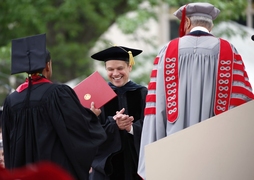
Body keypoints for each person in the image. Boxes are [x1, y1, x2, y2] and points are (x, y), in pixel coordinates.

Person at [138, 2, 254, 179]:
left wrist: (152, 154)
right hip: (216, 153)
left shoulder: (166, 51)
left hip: (174, 151)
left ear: (186, 23)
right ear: (210, 25)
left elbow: (156, 106)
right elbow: (242, 104)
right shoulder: (228, 51)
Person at [1, 33, 107, 180]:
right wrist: (91, 116)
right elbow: (77, 129)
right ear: (47, 65)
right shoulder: (57, 93)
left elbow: (8, 145)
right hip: (53, 173)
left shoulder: (11, 101)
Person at [89, 46, 148, 180]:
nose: (115, 73)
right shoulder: (98, 96)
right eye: (110, 69)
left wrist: (130, 128)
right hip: (108, 169)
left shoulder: (142, 93)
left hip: (136, 163)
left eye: (120, 68)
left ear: (129, 67)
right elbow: (90, 134)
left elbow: (151, 126)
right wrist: (93, 118)